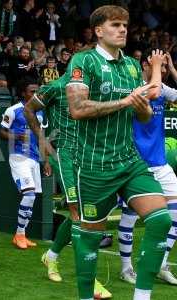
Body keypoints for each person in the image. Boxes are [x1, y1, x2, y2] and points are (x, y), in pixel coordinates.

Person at [65, 6, 170, 300]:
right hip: (95, 165)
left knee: (161, 220)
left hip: (129, 160)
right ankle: (86, 296)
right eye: (115, 25)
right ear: (99, 30)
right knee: (90, 238)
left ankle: (142, 296)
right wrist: (125, 102)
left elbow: (145, 117)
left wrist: (143, 108)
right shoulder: (83, 61)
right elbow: (77, 109)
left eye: (125, 24)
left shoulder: (132, 66)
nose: (123, 29)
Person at [24, 75, 111, 299]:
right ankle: (90, 279)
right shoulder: (56, 86)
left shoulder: (93, 87)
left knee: (84, 213)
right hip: (65, 154)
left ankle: (51, 256)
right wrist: (43, 142)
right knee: (77, 213)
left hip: (88, 156)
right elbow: (29, 109)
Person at [118, 51, 177, 285]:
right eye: (158, 65)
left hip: (160, 164)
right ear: (147, 65)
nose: (161, 70)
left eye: (163, 67)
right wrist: (158, 69)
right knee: (129, 218)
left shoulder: (163, 88)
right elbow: (152, 90)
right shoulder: (136, 87)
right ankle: (126, 269)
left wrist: (171, 68)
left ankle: (161, 263)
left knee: (175, 213)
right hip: (136, 165)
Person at [0, 78, 44, 250]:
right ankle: (19, 234)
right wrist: (16, 137)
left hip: (34, 158)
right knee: (29, 195)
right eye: (32, 91)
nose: (35, 94)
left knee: (32, 198)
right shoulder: (13, 110)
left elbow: (41, 136)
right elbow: (0, 132)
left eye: (37, 91)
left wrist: (45, 161)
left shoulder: (40, 111)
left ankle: (21, 235)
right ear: (23, 93)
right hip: (19, 157)